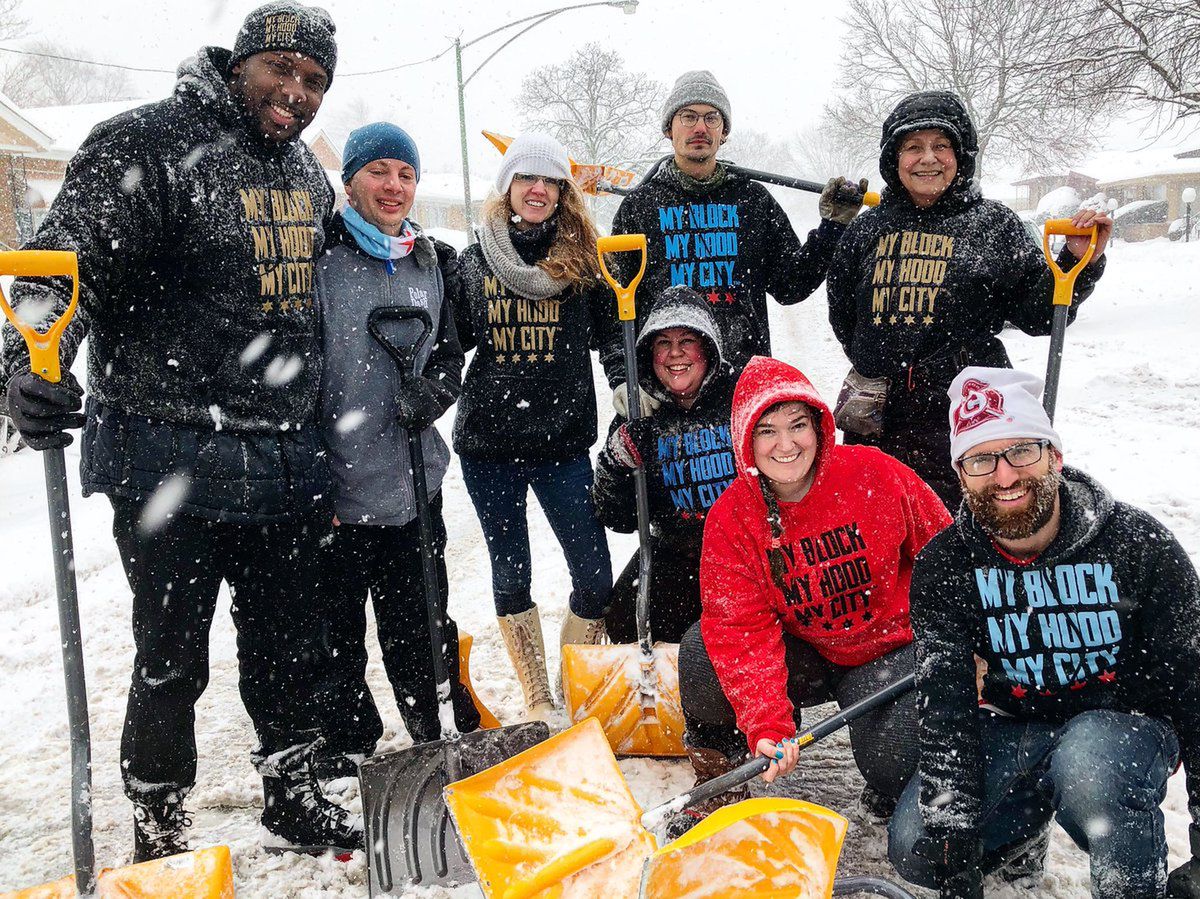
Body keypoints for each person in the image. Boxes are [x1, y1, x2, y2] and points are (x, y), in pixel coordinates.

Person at [1, 2, 361, 859]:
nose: (296, 93)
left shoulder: (304, 177)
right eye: (282, 71)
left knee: (288, 648)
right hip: (169, 452)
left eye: (314, 82)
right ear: (240, 63)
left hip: (280, 462)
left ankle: (292, 787)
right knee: (171, 657)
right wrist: (29, 361)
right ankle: (160, 825)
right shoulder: (146, 146)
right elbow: (62, 261)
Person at [889, 367, 1200, 899]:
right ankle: (1021, 832)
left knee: (1088, 763)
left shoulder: (1139, 546)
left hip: (1120, 730)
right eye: (981, 459)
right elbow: (946, 704)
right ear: (961, 476)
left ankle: (1131, 883)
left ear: (1055, 456)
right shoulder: (946, 565)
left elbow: (1194, 687)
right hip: (1013, 723)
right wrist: (954, 846)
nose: (1005, 475)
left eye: (1022, 452)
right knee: (915, 845)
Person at [671, 355, 951, 837]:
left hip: (885, 650)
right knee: (702, 652)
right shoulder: (732, 517)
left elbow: (947, 559)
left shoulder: (877, 474)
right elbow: (740, 627)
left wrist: (961, 644)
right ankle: (720, 775)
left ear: (820, 427)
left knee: (894, 761)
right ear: (745, 440)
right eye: (767, 431)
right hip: (802, 647)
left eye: (798, 425)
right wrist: (767, 722)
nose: (786, 445)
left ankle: (889, 781)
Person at [826, 90, 1111, 507]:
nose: (928, 158)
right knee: (881, 526)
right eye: (913, 147)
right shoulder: (868, 229)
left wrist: (1076, 259)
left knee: (973, 527)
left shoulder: (991, 223)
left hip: (972, 413)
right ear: (893, 158)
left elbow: (1039, 313)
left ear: (962, 155)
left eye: (942, 145)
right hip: (879, 418)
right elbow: (842, 314)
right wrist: (883, 361)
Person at [311, 122, 480, 776]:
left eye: (405, 174)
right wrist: (310, 479)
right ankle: (345, 741)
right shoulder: (320, 259)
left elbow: (448, 353)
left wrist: (432, 393)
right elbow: (295, 373)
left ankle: (433, 723)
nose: (393, 185)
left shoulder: (429, 260)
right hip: (336, 491)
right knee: (335, 635)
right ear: (350, 179)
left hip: (413, 487)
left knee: (423, 622)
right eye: (379, 170)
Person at [451, 133, 613, 720]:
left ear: (563, 192)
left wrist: (625, 384)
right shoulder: (474, 262)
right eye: (526, 178)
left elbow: (610, 339)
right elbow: (449, 344)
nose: (538, 189)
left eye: (549, 180)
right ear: (508, 188)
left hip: (563, 444)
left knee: (594, 575)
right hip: (489, 444)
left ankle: (571, 684)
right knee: (510, 570)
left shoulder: (584, 262)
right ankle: (538, 698)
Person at [602, 69, 864, 413]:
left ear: (724, 132)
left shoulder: (752, 201)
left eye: (712, 118)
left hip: (743, 388)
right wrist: (624, 376)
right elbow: (614, 307)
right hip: (669, 388)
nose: (700, 127)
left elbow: (790, 285)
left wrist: (832, 227)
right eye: (688, 116)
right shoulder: (641, 207)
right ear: (669, 129)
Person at [591, 285, 736, 643]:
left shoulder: (739, 396)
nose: (675, 354)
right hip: (676, 551)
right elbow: (616, 517)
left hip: (742, 548)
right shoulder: (638, 415)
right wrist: (618, 459)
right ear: (648, 353)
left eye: (687, 340)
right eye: (662, 344)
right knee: (625, 617)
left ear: (708, 347)